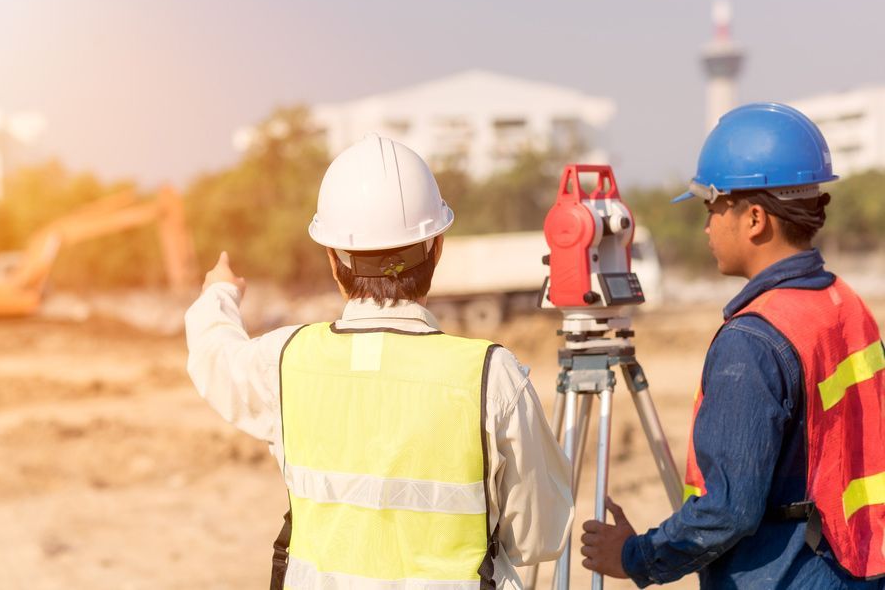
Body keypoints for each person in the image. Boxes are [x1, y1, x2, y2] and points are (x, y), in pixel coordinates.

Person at [185, 134, 574, 589]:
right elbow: (539, 537)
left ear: (333, 259)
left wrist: (220, 292)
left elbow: (215, 356)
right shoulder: (490, 378)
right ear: (438, 246)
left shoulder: (286, 361)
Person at [580, 102, 885, 588]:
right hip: (854, 566)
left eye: (711, 208)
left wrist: (635, 557)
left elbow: (729, 510)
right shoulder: (843, 302)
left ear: (755, 219)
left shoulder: (754, 340)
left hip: (785, 575)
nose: (707, 227)